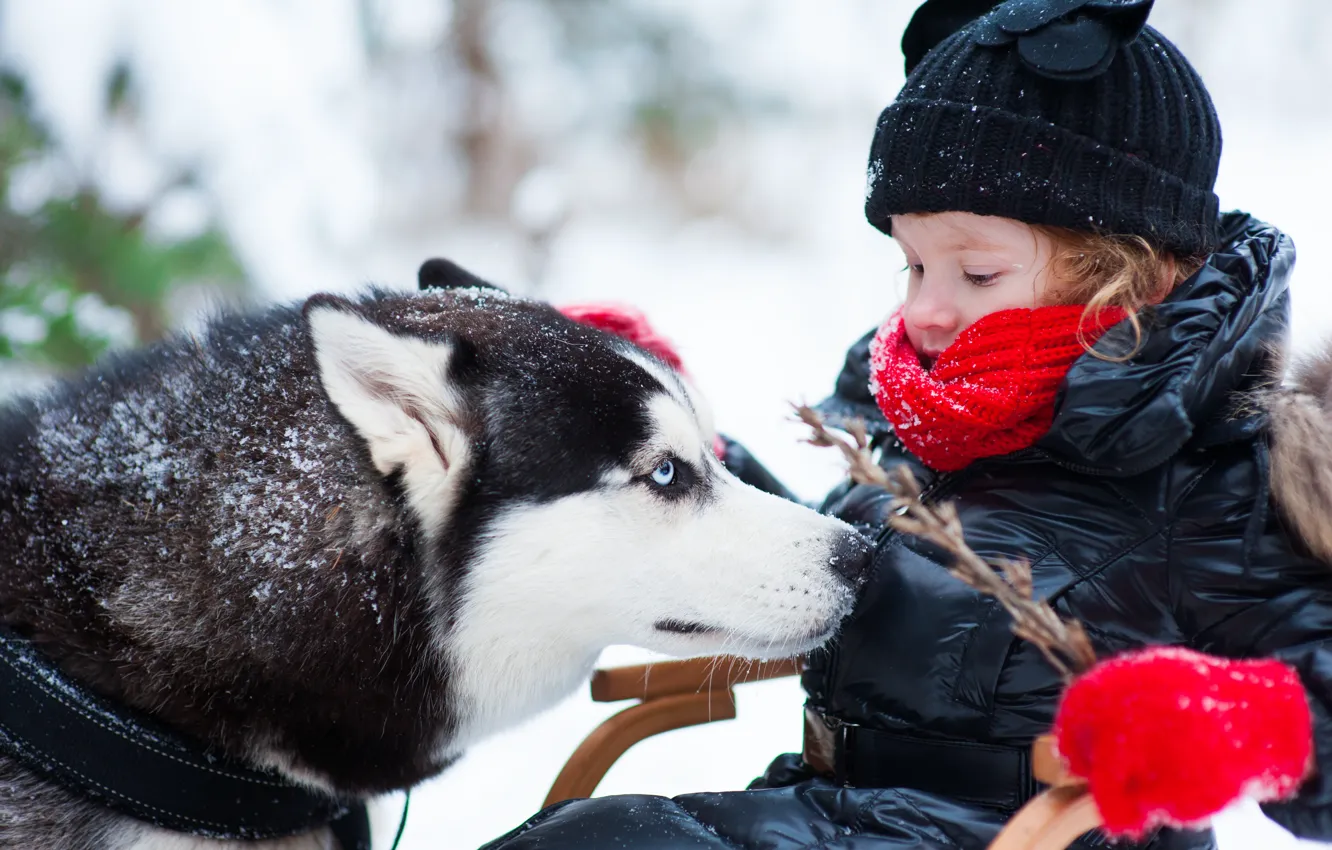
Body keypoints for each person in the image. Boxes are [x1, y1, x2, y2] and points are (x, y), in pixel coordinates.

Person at [480, 0, 1332, 847]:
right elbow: (853, 573)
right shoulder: (933, 417)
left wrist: (1252, 726)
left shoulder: (1215, 474)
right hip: (827, 807)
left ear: (1127, 278)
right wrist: (684, 462)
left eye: (977, 271)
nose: (923, 308)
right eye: (914, 262)